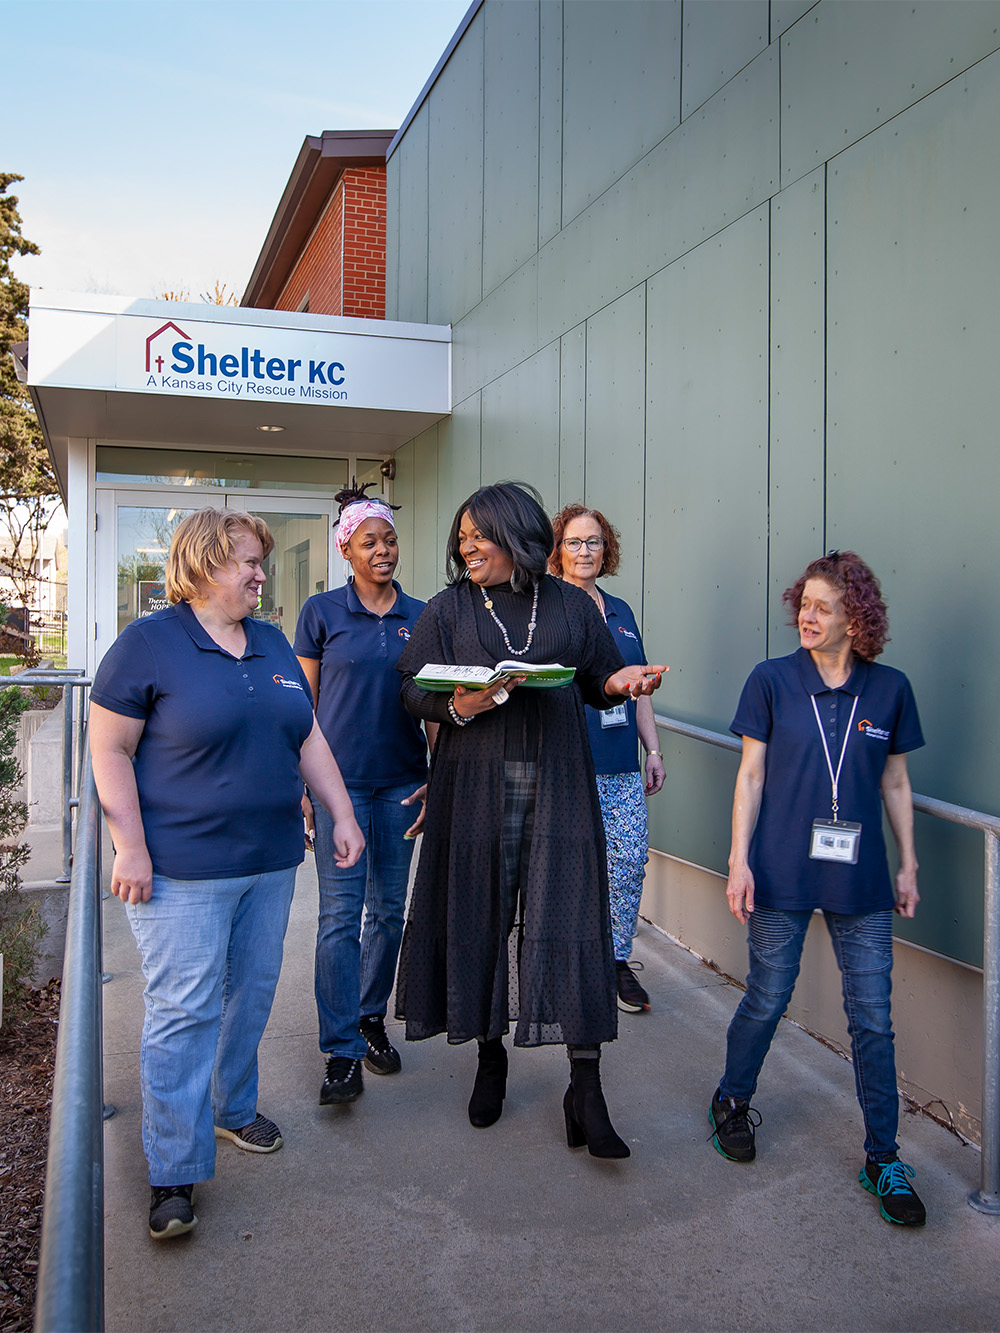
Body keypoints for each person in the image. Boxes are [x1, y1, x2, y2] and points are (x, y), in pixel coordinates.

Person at [89, 508, 364, 1241]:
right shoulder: (147, 646)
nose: (259, 574)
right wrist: (130, 845)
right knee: (185, 1009)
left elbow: (306, 735)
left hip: (269, 863)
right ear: (204, 563)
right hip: (179, 870)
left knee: (250, 995)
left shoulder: (271, 642)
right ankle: (173, 1170)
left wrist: (340, 811)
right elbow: (109, 749)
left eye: (260, 563)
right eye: (246, 561)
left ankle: (234, 1108)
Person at [395, 481, 666, 1158]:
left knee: (571, 921)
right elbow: (408, 688)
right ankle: (491, 1058)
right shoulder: (450, 607)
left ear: (514, 535)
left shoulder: (571, 602)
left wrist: (624, 683)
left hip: (559, 787)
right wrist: (460, 705)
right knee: (481, 916)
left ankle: (586, 1086)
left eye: (478, 535)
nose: (467, 547)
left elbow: (600, 675)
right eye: (461, 539)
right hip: (475, 789)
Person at [709, 550, 926, 1226]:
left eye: (822, 606)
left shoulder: (889, 688)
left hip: (860, 881)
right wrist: (738, 859)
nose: (806, 614)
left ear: (856, 618)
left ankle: (882, 1156)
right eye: (802, 602)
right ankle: (732, 1098)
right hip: (779, 869)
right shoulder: (772, 680)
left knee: (871, 1019)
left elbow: (894, 781)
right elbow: (750, 776)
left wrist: (908, 862)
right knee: (769, 994)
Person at [295, 481, 435, 1107]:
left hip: (403, 784)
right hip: (340, 790)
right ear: (345, 550)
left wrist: (440, 774)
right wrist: (305, 786)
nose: (383, 550)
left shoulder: (424, 616)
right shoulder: (321, 613)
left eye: (390, 539)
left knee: (387, 911)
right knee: (337, 918)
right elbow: (304, 706)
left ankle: (370, 1017)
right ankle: (340, 1050)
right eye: (369, 541)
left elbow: (437, 703)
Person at [551, 503, 665, 1012]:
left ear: (607, 548)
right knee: (560, 871)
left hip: (618, 765)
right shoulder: (547, 609)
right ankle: (561, 964)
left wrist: (654, 750)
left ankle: (615, 960)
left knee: (626, 864)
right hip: (561, 766)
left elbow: (639, 688)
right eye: (574, 542)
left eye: (593, 541)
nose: (584, 551)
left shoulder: (621, 612)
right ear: (557, 550)